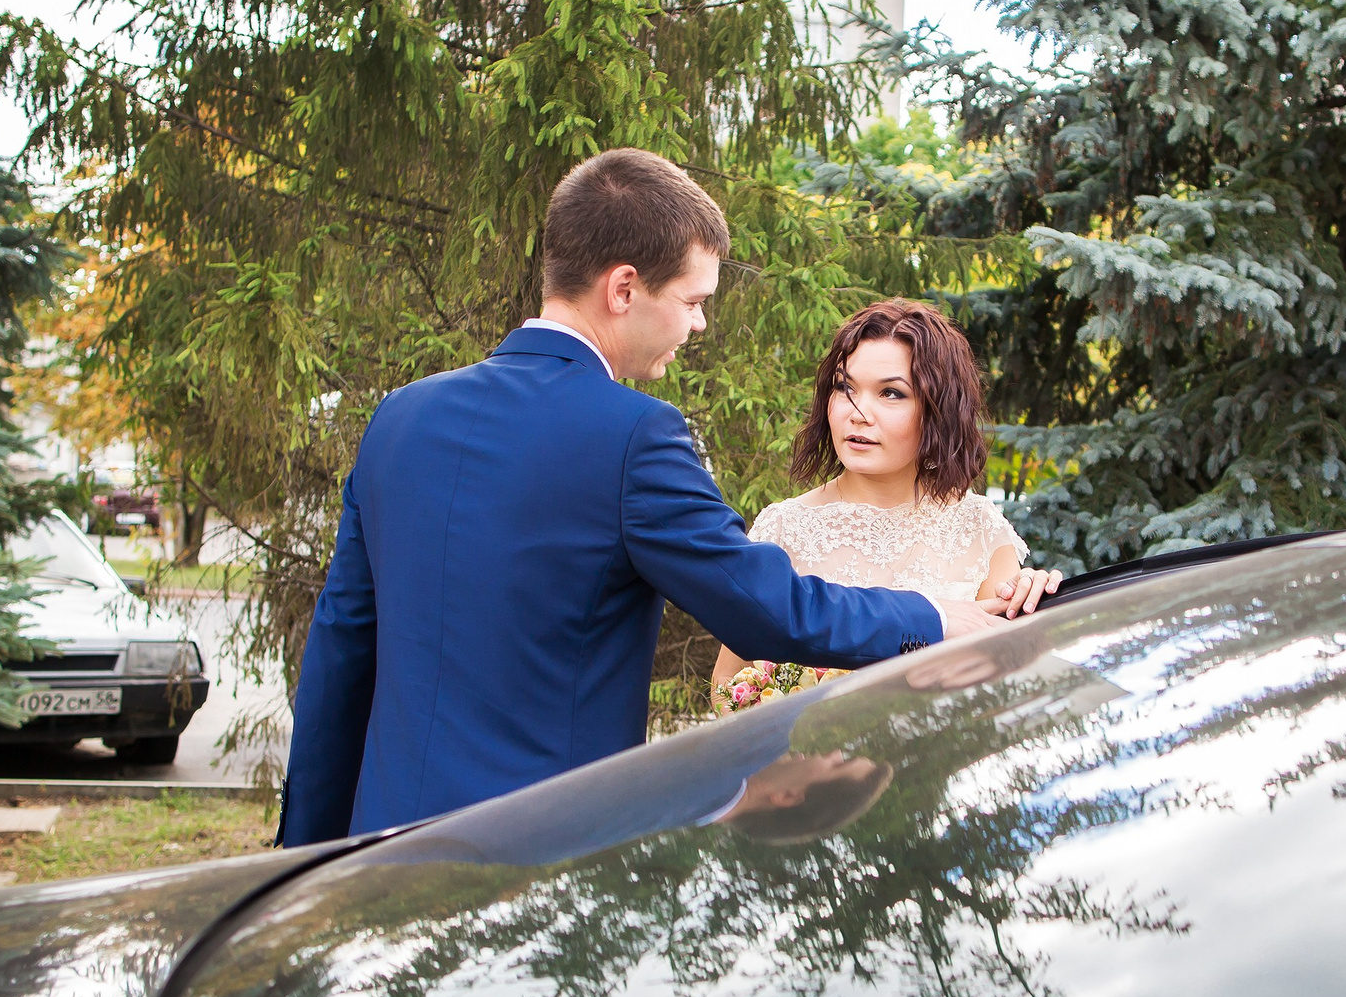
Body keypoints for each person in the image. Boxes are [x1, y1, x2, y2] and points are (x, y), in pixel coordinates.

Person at [279, 150, 1008, 845]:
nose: (698, 323)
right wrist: (930, 616)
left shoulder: (401, 417)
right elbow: (767, 611)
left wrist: (304, 860)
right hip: (547, 860)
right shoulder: (634, 436)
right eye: (693, 300)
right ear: (623, 289)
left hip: (382, 854)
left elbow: (341, 650)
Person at [710, 298, 1061, 708]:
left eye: (891, 393)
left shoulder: (979, 528)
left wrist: (1035, 601)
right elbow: (728, 683)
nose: (859, 413)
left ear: (937, 410)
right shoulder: (783, 529)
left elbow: (1006, 682)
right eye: (846, 388)